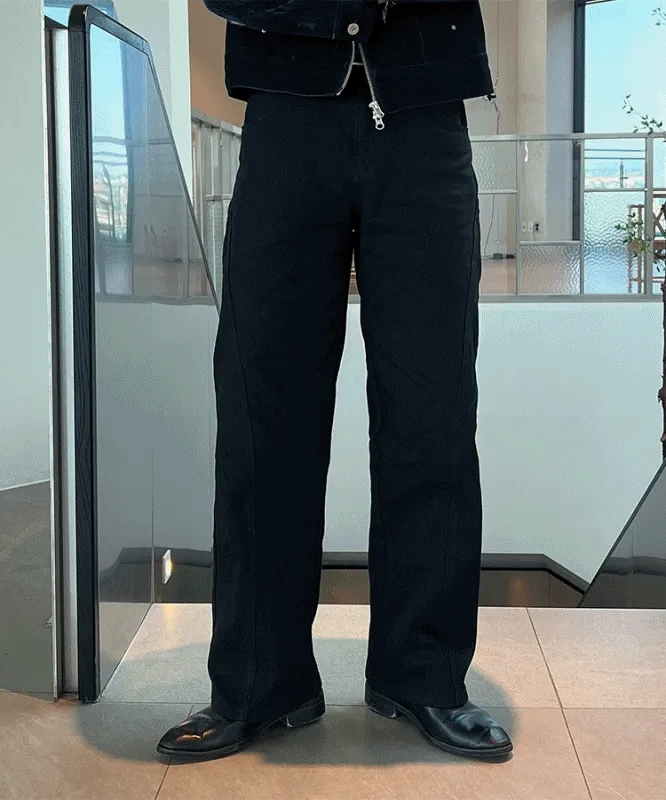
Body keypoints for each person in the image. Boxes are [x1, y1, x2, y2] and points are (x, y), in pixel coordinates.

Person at [158, 0, 512, 762]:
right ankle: (259, 682)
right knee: (262, 412)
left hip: (423, 110)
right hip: (286, 116)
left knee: (434, 413)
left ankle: (424, 675)